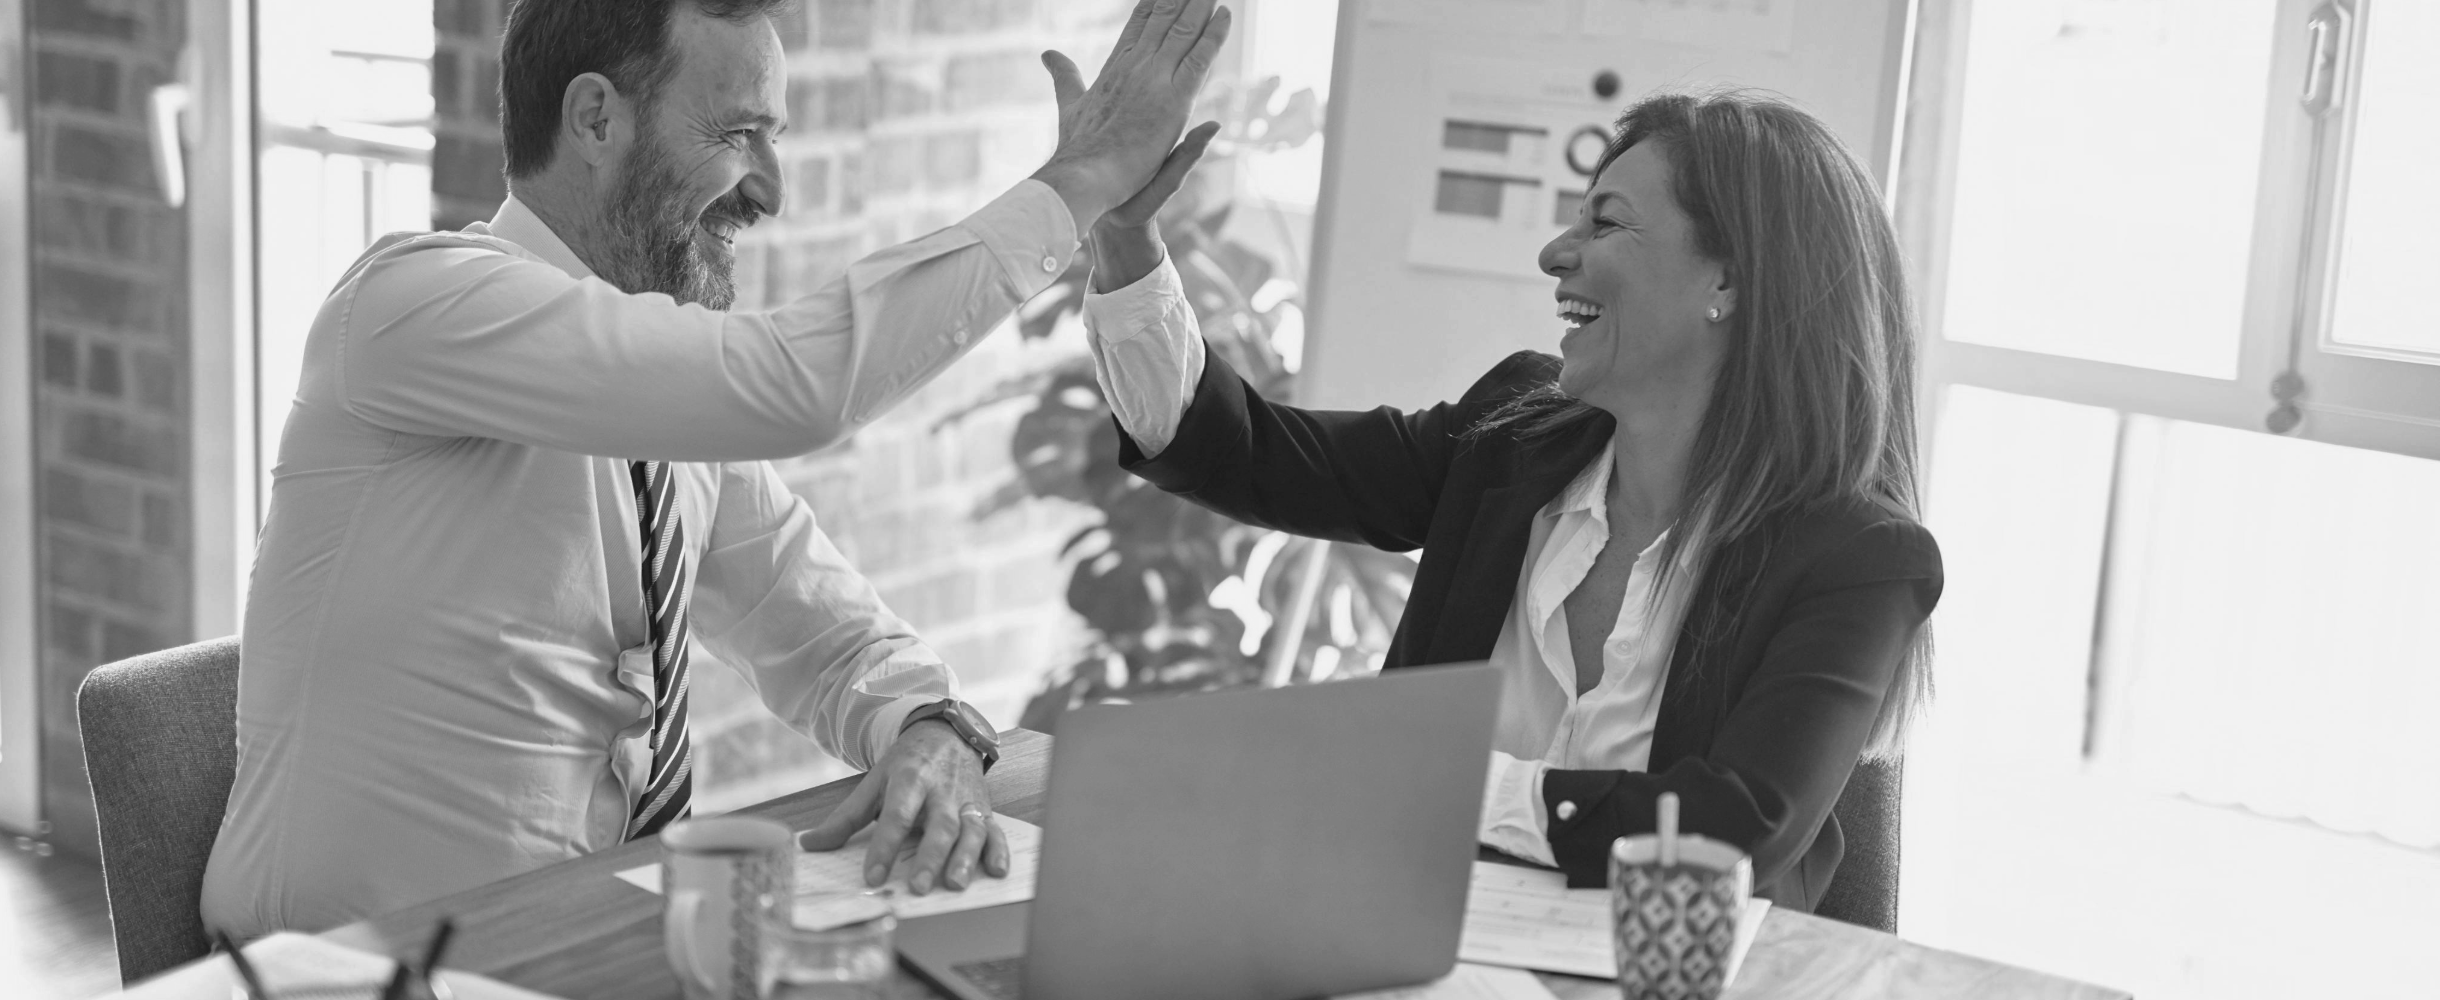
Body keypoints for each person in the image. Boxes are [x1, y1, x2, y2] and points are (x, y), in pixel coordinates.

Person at [201, 0, 1232, 938]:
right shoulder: (413, 306)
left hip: (576, 940)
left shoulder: (663, 403)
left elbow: (830, 635)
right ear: (597, 120)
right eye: (739, 134)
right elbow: (793, 384)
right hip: (344, 967)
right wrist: (1079, 183)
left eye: (772, 139)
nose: (770, 192)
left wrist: (930, 723)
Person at [1078, 90, 1942, 911]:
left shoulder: (1857, 558)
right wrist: (1125, 238)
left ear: (1729, 282)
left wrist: (1438, 783)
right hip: (1407, 943)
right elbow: (1247, 454)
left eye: (1605, 223)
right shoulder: (1512, 438)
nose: (1556, 253)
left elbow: (1729, 833)